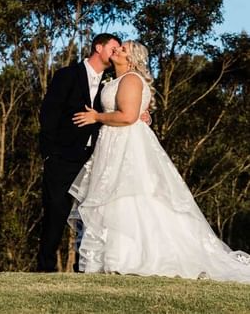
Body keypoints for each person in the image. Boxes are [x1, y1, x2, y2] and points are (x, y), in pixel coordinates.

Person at [69, 40, 250, 282]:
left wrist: (96, 117)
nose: (118, 49)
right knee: (111, 196)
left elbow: (127, 116)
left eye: (123, 49)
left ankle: (129, 257)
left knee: (129, 194)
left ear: (131, 58)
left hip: (127, 145)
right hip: (112, 144)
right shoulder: (116, 80)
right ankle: (110, 257)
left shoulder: (131, 79)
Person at [36, 33, 122, 272]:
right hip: (62, 157)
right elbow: (48, 114)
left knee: (92, 215)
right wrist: (49, 154)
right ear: (98, 47)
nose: (116, 54)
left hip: (95, 157)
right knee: (55, 212)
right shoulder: (67, 75)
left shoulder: (112, 82)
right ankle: (45, 268)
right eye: (113, 49)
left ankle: (84, 267)